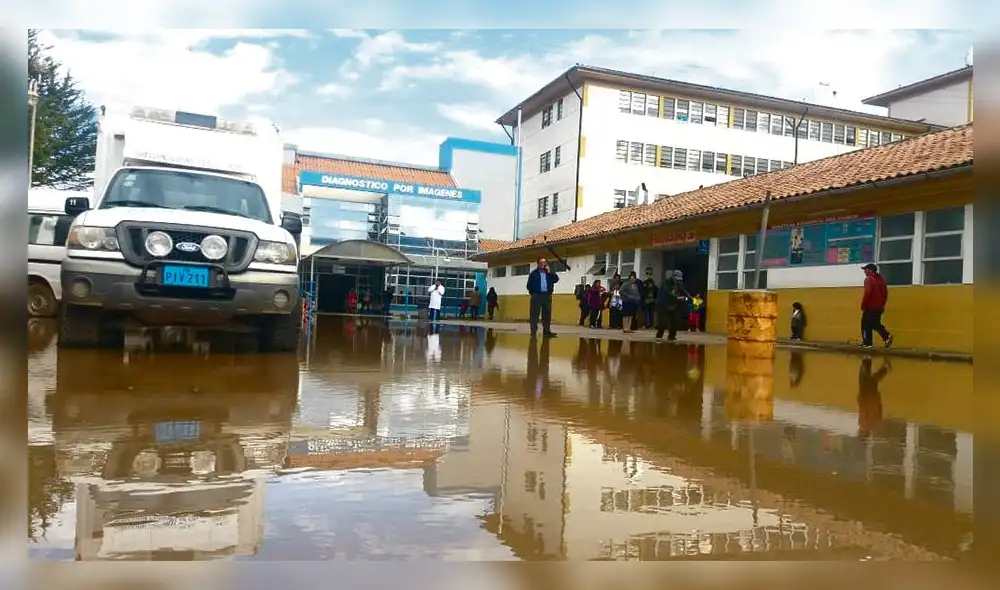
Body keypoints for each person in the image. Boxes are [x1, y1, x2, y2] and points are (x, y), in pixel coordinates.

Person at [861, 263, 893, 348]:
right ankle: (886, 337)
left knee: (866, 324)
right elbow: (885, 293)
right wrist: (882, 304)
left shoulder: (869, 279)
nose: (864, 271)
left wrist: (863, 305)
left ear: (870, 270)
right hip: (879, 306)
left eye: (866, 269)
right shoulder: (880, 279)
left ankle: (868, 343)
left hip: (870, 306)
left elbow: (867, 293)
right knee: (875, 323)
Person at [526, 256, 559, 338]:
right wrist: (534, 293)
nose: (543, 264)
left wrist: (550, 272)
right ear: (538, 264)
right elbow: (529, 285)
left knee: (547, 314)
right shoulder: (534, 273)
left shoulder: (549, 273)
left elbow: (556, 279)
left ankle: (547, 331)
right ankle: (533, 331)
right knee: (534, 314)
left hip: (547, 296)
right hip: (536, 296)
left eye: (544, 262)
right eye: (541, 263)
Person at [654, 270, 690, 342]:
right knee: (662, 322)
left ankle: (672, 336)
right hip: (663, 304)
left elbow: (684, 291)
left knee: (675, 321)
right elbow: (667, 293)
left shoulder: (679, 284)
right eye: (677, 279)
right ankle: (659, 335)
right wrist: (678, 298)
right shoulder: (666, 283)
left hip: (674, 305)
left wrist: (690, 297)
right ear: (673, 277)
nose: (678, 281)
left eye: (679, 280)